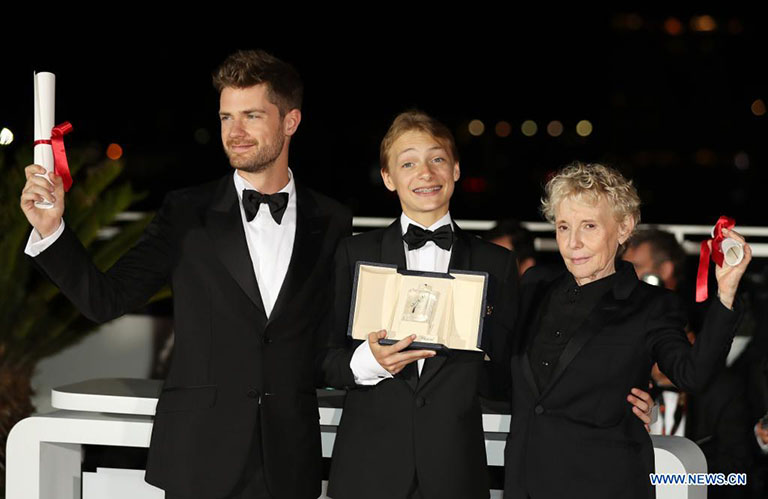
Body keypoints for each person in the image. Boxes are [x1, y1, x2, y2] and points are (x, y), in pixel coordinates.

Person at [20, 49, 351, 499]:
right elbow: (105, 299)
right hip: (199, 457)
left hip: (290, 462)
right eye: (225, 117)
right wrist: (52, 230)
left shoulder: (332, 219)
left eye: (251, 116)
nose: (234, 132)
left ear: (290, 121)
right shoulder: (186, 212)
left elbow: (331, 338)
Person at [320, 113, 653, 499]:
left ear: (456, 169)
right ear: (388, 177)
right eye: (408, 163)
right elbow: (321, 358)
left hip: (455, 472)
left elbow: (517, 371)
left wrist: (619, 396)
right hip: (368, 470)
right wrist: (368, 363)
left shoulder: (494, 263)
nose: (425, 173)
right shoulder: (352, 253)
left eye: (437, 159)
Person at [503, 162, 751, 499]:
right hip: (524, 486)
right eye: (563, 227)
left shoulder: (651, 305)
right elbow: (503, 373)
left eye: (589, 226)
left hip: (605, 486)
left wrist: (725, 294)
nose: (573, 242)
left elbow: (691, 375)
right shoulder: (535, 285)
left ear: (623, 227)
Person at [624, 230, 754, 498]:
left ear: (693, 341)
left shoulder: (722, 393)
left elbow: (739, 477)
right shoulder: (624, 383)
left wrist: (672, 479)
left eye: (669, 340)